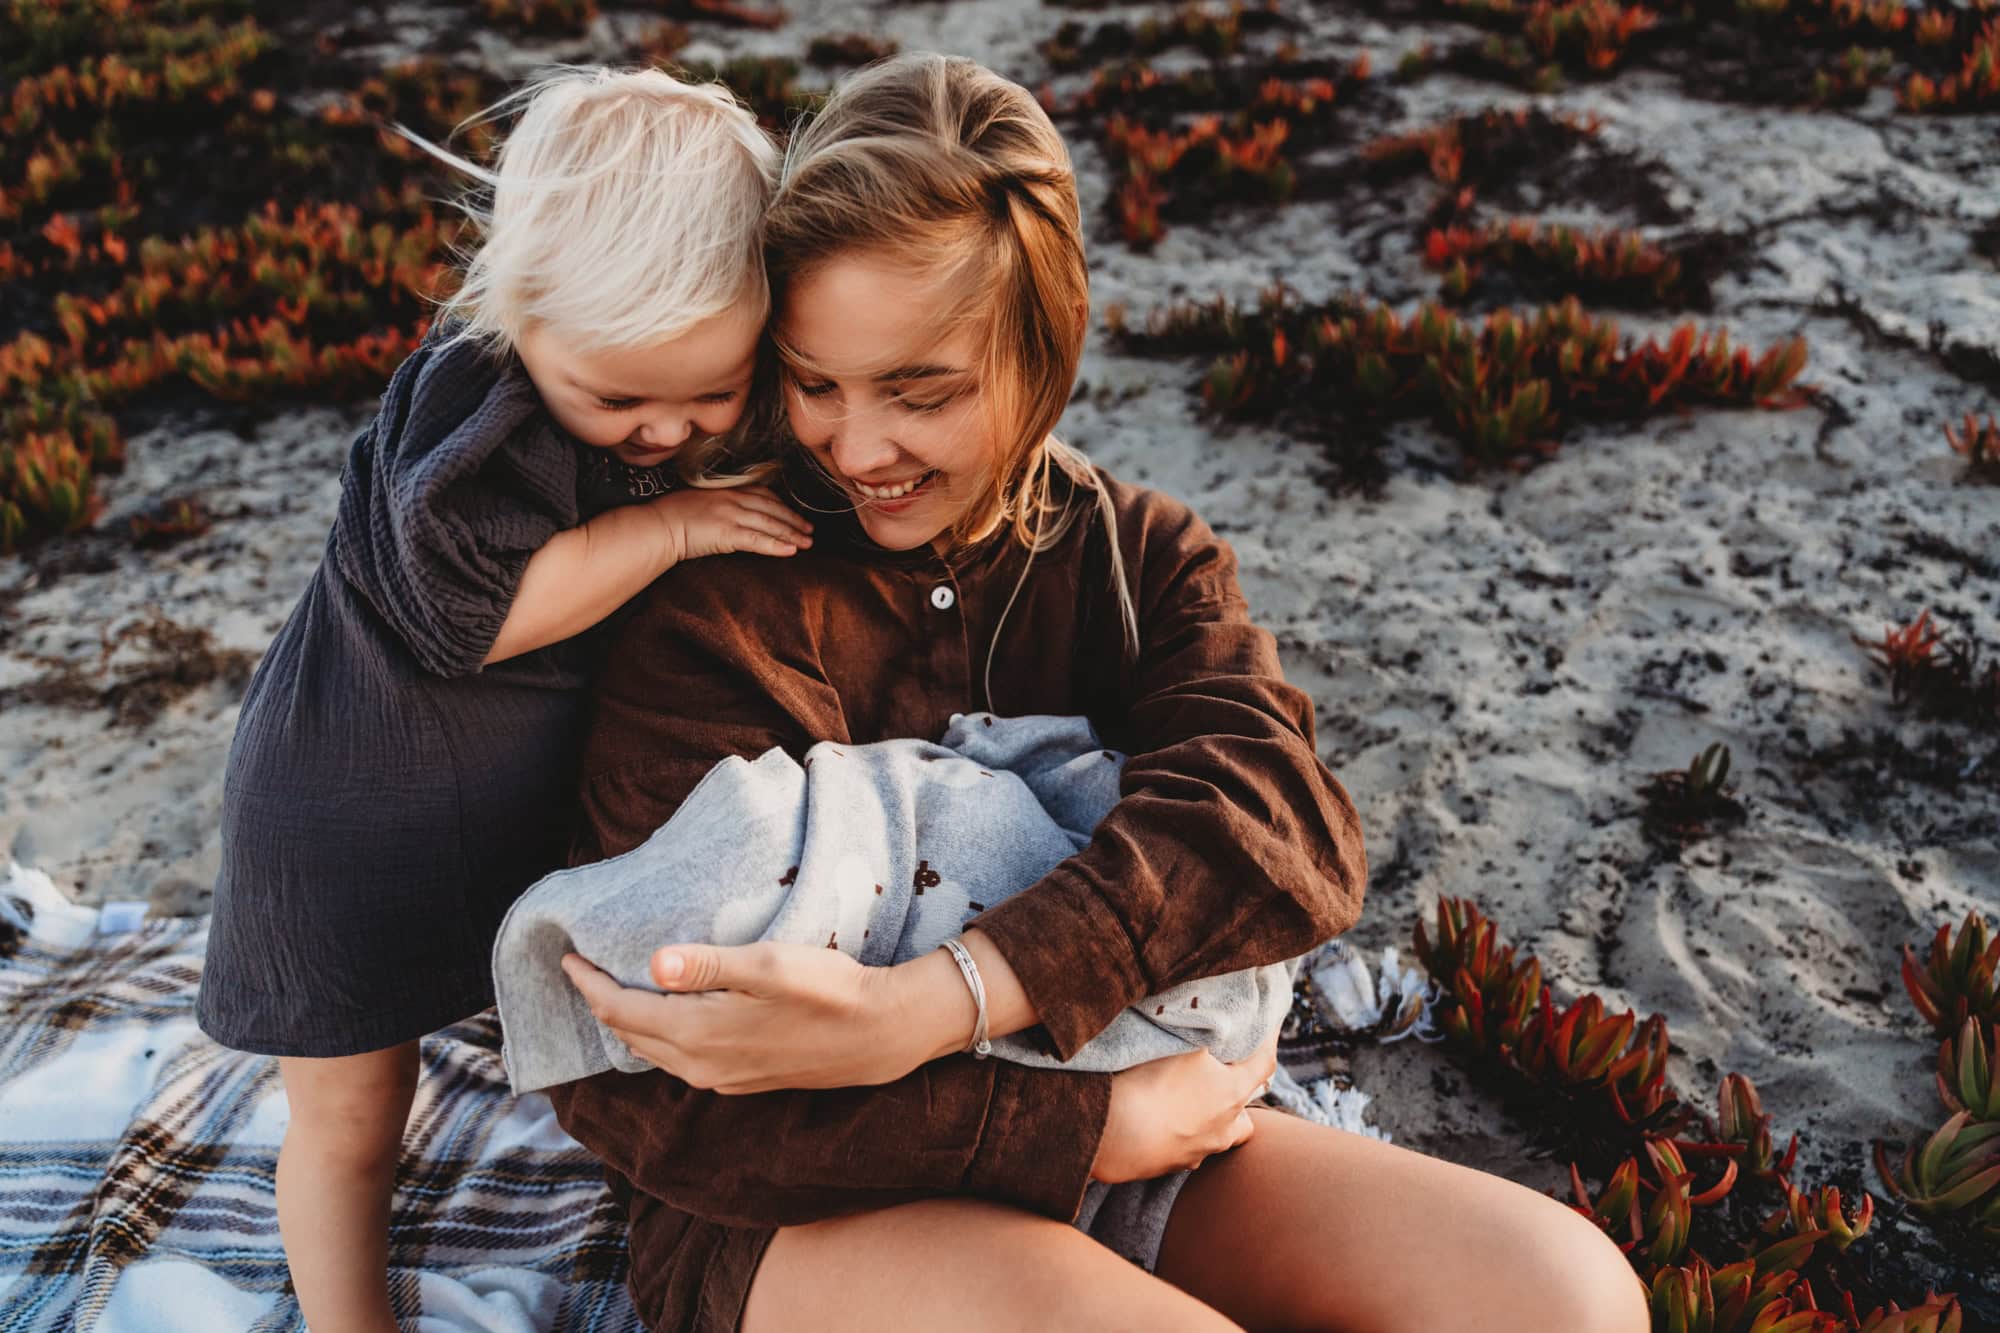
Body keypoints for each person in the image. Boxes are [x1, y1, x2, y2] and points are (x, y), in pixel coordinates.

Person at [552, 52, 1650, 1333]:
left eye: (921, 392)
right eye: (814, 384)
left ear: (1044, 348)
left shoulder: (1137, 556)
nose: (857, 448)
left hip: (1143, 1122)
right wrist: (1069, 1127)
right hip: (803, 1212)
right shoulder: (717, 594)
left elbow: (1275, 827)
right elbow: (649, 1091)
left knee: (1566, 1298)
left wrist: (929, 1004)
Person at [194, 67, 813, 1333]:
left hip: (476, 807)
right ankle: (347, 1318)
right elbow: (476, 616)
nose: (663, 433)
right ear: (518, 317)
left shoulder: (620, 380)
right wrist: (678, 529)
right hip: (338, 829)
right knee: (352, 1120)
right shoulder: (472, 406)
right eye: (620, 400)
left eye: (710, 394)